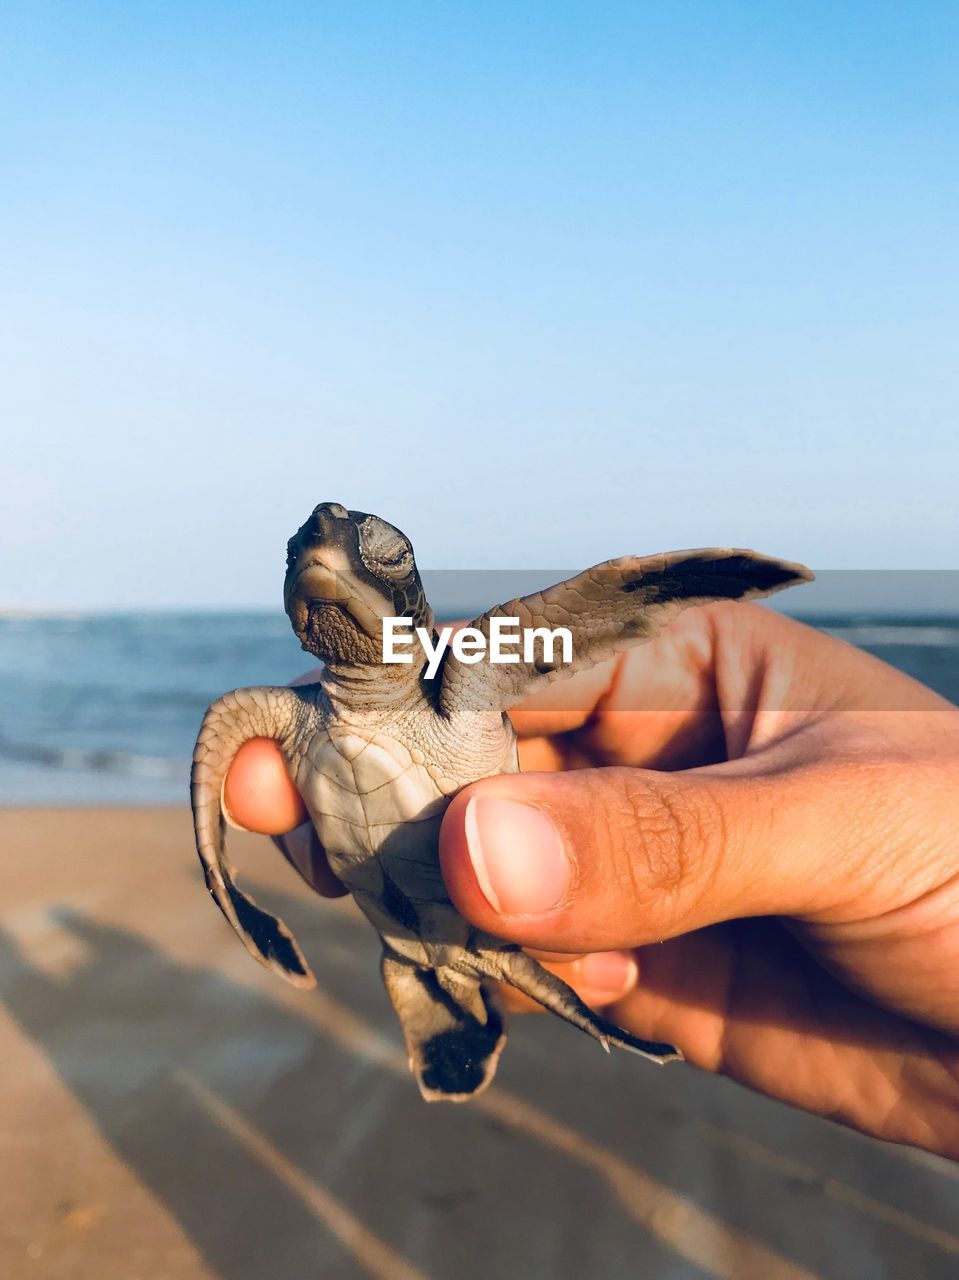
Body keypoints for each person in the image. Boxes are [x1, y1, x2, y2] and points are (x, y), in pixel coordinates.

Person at [222, 603, 959, 1159]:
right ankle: (557, 1025)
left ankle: (593, 1029)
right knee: (482, 958)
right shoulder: (286, 710)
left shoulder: (451, 675)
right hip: (412, 930)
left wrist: (660, 590)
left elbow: (568, 618)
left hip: (457, 921)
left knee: (511, 962)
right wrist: (236, 899)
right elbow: (213, 795)